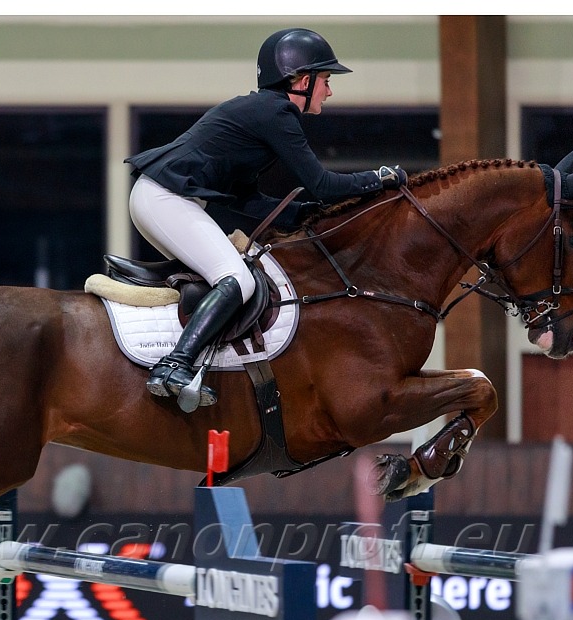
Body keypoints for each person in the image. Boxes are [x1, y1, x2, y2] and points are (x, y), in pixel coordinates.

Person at [126, 27, 407, 411]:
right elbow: (322, 184)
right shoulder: (276, 113)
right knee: (236, 278)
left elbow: (246, 198)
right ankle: (174, 365)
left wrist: (300, 214)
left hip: (162, 199)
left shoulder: (262, 113)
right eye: (325, 80)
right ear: (303, 80)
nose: (329, 91)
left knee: (229, 276)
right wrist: (381, 178)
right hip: (165, 199)